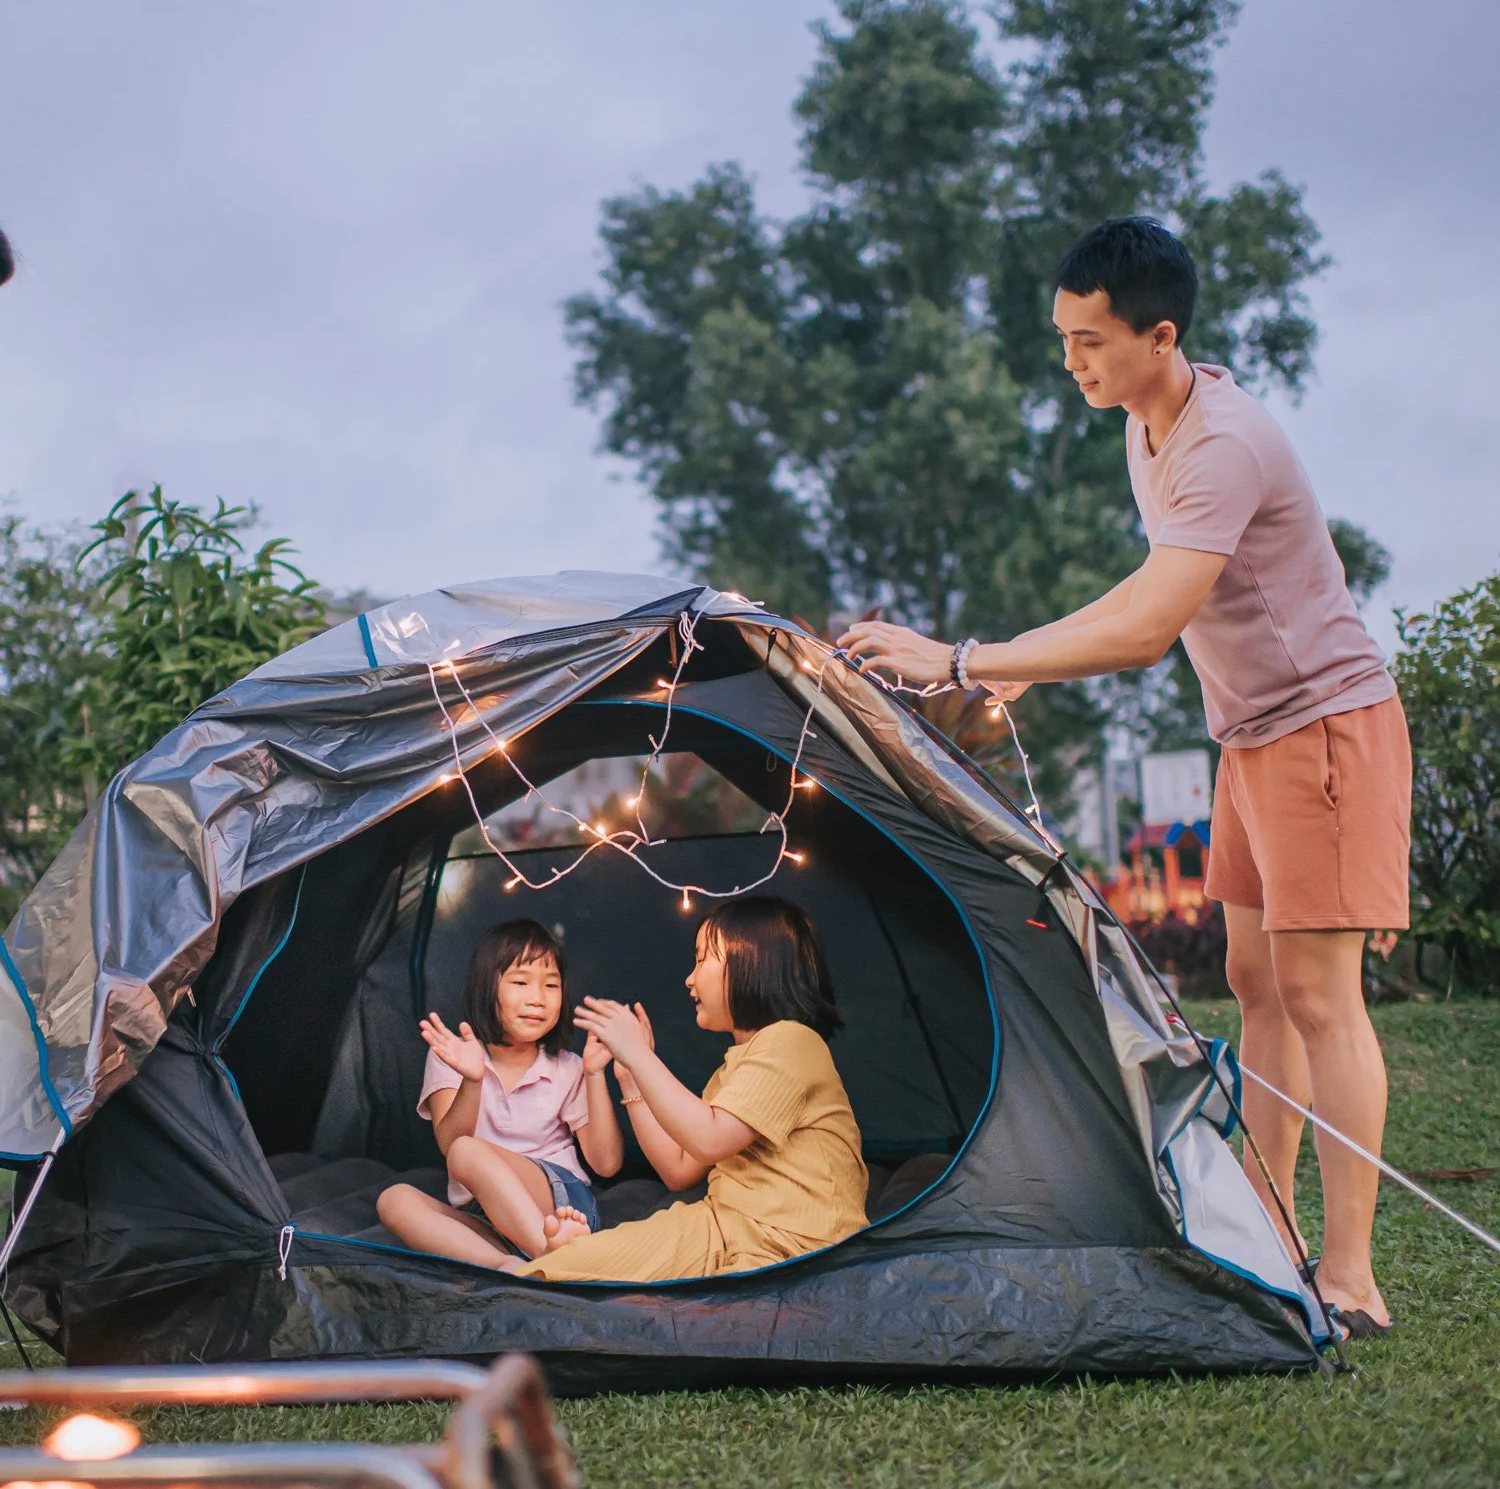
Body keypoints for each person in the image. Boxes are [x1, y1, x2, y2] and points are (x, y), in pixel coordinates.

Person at [839, 216, 1407, 1340]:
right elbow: (1148, 588)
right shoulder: (1146, 428)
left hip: (1328, 730)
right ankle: (1273, 1229)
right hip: (1248, 736)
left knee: (1319, 998)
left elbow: (1148, 630)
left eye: (1090, 341)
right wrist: (1025, 662)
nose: (1072, 363)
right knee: (1253, 982)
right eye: (1063, 340)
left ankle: (1351, 1273)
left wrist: (966, 658)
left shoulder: (1223, 442)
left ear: (1160, 334)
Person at [509, 896, 868, 1282]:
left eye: (701, 959)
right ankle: (573, 1251)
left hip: (795, 1244)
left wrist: (639, 1056)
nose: (690, 979)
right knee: (549, 1273)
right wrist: (631, 1073)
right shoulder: (734, 1068)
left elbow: (709, 1139)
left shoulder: (794, 1042)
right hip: (719, 1227)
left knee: (695, 1305)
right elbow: (679, 1171)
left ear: (752, 963)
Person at [376, 919, 624, 1264]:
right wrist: (473, 1080)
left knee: (467, 1151)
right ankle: (509, 1266)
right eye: (520, 983)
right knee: (394, 1199)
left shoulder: (566, 1066)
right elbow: (448, 1144)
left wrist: (594, 1074)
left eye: (551, 986)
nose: (537, 999)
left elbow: (607, 1164)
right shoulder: (453, 1055)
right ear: (486, 988)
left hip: (560, 1207)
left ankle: (553, 1256)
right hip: (486, 1215)